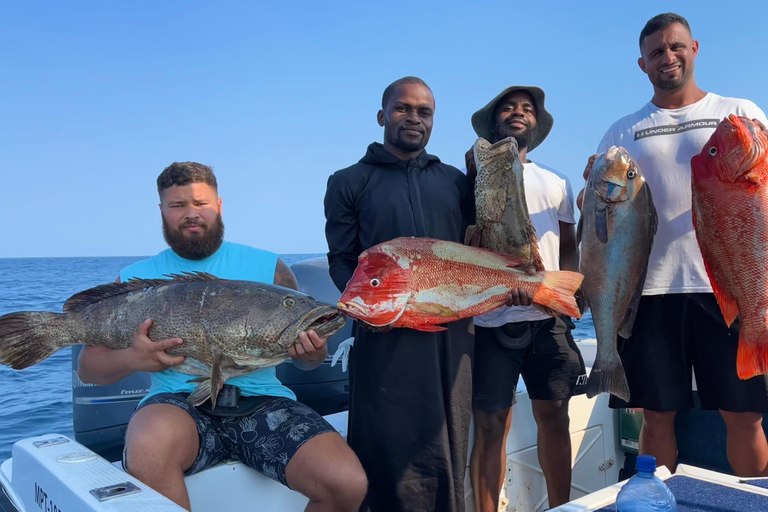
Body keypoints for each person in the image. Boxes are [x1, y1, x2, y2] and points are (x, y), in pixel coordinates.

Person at [77, 162, 368, 512]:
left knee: (347, 483)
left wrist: (310, 354)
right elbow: (88, 370)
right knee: (149, 447)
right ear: (161, 212)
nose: (190, 214)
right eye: (177, 205)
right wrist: (133, 359)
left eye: (201, 203)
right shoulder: (135, 279)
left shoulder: (269, 269)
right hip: (176, 404)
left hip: (264, 402)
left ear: (219, 205)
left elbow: (309, 362)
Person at [580, 12, 768, 477]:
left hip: (726, 285)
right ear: (642, 64)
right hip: (648, 292)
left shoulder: (739, 113)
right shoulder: (622, 132)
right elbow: (595, 209)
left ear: (695, 49)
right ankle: (656, 502)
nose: (668, 57)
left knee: (743, 416)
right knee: (656, 417)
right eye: (656, 52)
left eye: (676, 47)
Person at [323, 77, 475, 512]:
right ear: (382, 115)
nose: (413, 118)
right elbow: (340, 258)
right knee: (389, 449)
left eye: (423, 112)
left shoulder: (454, 181)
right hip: (385, 337)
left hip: (452, 332)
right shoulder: (348, 181)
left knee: (450, 441)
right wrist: (379, 309)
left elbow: (474, 252)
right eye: (402, 109)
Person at [466, 86, 586, 511]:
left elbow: (569, 243)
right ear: (493, 121)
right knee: (491, 422)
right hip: (488, 319)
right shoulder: (472, 173)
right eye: (509, 108)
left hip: (547, 316)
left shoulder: (557, 181)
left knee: (554, 414)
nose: (518, 113)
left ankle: (561, 507)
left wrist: (569, 294)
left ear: (537, 124)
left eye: (527, 109)